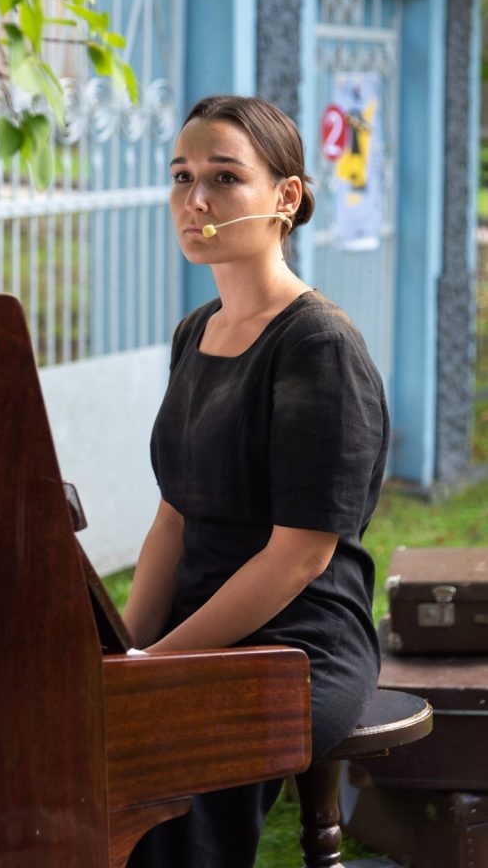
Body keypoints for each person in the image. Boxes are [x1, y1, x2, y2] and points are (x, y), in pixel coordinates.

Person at [122, 95, 390, 868]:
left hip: (298, 642)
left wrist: (157, 669)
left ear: (286, 197)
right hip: (197, 630)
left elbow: (299, 557)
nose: (195, 200)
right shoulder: (195, 332)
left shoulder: (318, 347)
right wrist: (126, 654)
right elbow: (173, 518)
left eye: (224, 177)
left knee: (160, 766)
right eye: (181, 176)